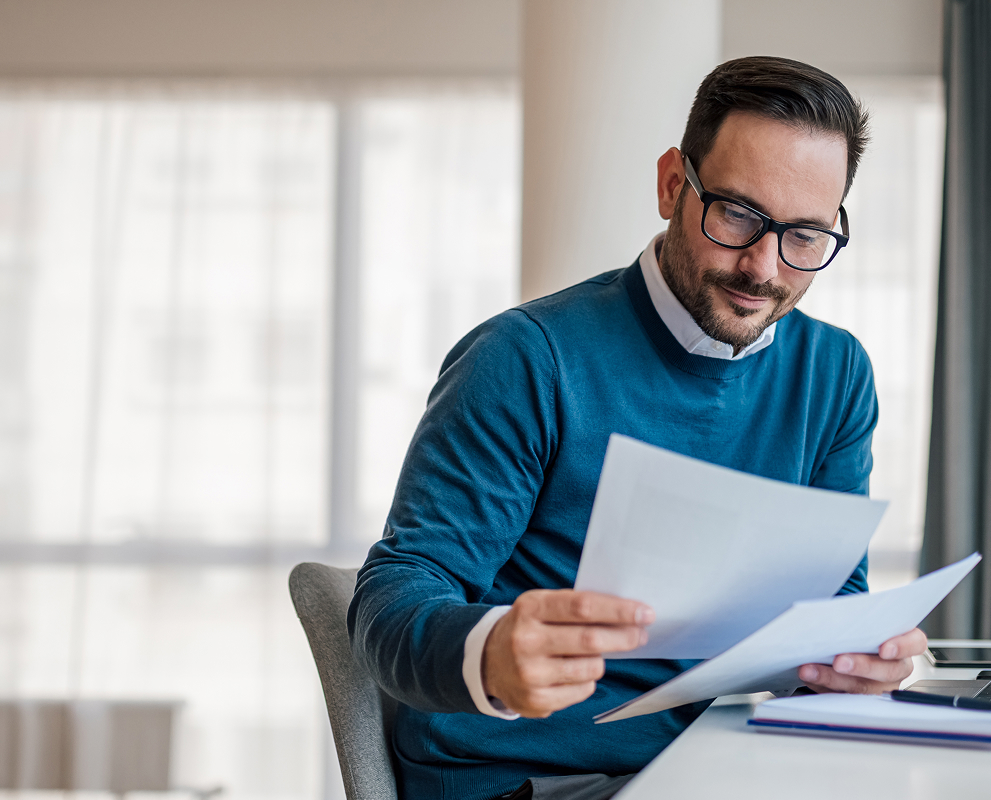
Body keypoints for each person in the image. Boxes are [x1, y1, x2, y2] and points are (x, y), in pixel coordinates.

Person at [348, 56, 928, 800]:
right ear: (670, 185)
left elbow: (830, 598)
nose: (764, 267)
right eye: (738, 215)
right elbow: (395, 593)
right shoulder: (527, 357)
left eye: (806, 236)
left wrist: (852, 658)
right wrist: (489, 653)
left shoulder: (837, 373)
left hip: (720, 770)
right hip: (530, 780)